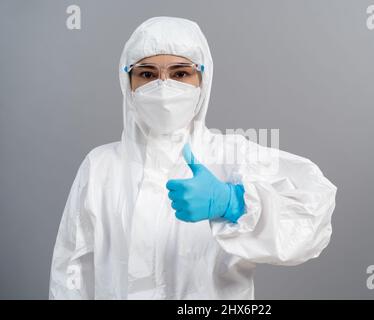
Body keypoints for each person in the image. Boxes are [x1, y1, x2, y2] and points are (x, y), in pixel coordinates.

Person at [49, 16, 337, 299]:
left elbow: (314, 214)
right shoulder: (100, 166)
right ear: (128, 83)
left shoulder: (233, 156)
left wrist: (233, 202)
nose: (163, 87)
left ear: (202, 80)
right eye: (147, 74)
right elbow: (71, 272)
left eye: (180, 73)